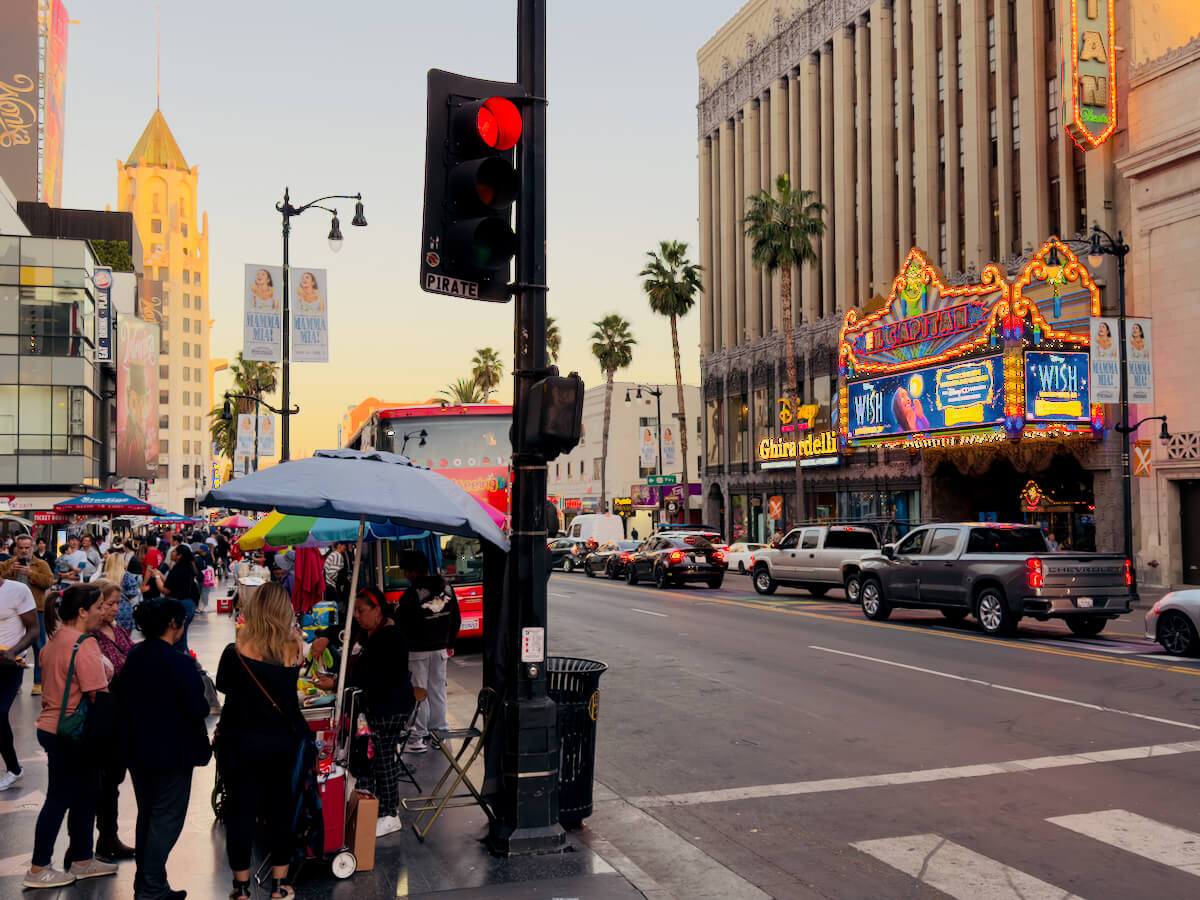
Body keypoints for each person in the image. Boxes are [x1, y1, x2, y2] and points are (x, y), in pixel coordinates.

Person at [117, 597, 211, 900]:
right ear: (174, 624)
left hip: (137, 749)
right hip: (172, 752)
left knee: (149, 815)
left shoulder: (136, 654)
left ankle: (148, 885)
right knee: (166, 819)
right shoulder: (179, 663)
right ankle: (151, 887)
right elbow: (199, 708)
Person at [216, 583, 305, 900]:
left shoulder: (236, 648)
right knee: (281, 810)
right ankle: (280, 886)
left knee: (240, 812)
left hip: (240, 742)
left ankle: (241, 888)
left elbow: (223, 686)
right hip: (281, 742)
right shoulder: (296, 648)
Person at [25, 584, 118, 889]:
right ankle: (38, 868)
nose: (101, 613)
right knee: (60, 798)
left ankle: (82, 858)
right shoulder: (84, 643)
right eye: (98, 607)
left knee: (85, 793)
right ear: (82, 612)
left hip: (53, 728)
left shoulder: (55, 640)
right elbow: (98, 690)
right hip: (73, 732)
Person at [314, 586, 414, 838]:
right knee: (369, 758)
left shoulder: (390, 637)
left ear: (377, 610)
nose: (356, 616)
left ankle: (390, 814)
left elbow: (373, 677)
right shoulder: (367, 632)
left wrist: (337, 681)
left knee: (383, 758)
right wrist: (325, 636)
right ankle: (368, 807)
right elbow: (342, 630)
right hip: (373, 706)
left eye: (361, 611)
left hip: (390, 707)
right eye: (354, 611)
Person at [395, 550, 460, 755]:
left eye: (406, 570)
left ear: (413, 572)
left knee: (418, 693)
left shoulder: (410, 595)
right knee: (437, 691)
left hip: (417, 651)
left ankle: (417, 737)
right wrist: (449, 641)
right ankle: (439, 733)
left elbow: (401, 625)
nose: (405, 575)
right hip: (440, 648)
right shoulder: (447, 588)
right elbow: (456, 618)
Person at [91, 581, 135, 864]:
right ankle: (93, 842)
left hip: (122, 713)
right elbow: (113, 667)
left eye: (118, 603)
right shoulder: (90, 637)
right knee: (102, 781)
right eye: (109, 604)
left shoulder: (117, 629)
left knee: (115, 779)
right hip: (103, 714)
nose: (115, 609)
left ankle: (110, 836)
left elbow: (129, 654)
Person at [0, 554, 39, 791]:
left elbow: (34, 629)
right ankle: (14, 769)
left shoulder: (17, 590)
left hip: (9, 664)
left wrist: (13, 651)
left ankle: (14, 769)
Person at [1, 535, 53, 697]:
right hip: (14, 613)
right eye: (21, 548)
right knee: (17, 647)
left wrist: (31, 574)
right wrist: (11, 573)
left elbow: (49, 582)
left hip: (36, 609)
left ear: (33, 548)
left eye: (27, 548)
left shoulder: (41, 564)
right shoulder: (8, 564)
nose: (24, 551)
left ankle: (38, 682)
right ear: (15, 548)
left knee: (38, 646)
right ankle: (17, 683)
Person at [162, 545, 199, 655]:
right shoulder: (188, 566)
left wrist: (157, 578)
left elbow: (166, 590)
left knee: (178, 640)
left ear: (179, 555)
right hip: (189, 604)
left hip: (180, 604)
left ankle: (187, 664)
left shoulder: (178, 568)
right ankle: (188, 663)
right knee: (181, 638)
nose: (171, 553)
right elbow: (173, 584)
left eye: (174, 551)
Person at [100, 552, 136, 632]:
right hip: (125, 611)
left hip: (107, 611)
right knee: (125, 640)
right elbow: (133, 594)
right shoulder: (128, 576)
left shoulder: (102, 577)